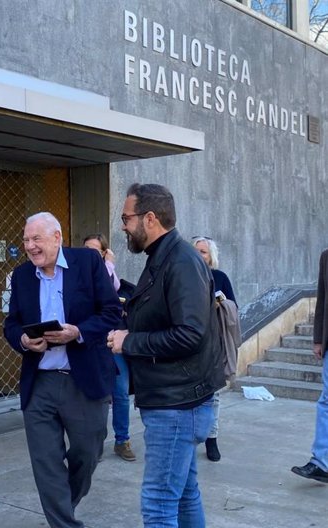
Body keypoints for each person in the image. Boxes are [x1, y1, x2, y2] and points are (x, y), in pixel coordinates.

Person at [108, 183, 225, 528]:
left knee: (159, 503)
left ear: (150, 218)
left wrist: (130, 342)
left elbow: (190, 333)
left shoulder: (181, 261)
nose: (123, 226)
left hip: (177, 404)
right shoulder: (165, 256)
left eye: (126, 218)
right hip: (175, 399)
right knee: (185, 494)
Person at [4, 212, 121, 528]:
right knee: (46, 463)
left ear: (57, 237)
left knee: (87, 453)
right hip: (39, 381)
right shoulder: (22, 276)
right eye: (26, 240)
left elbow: (112, 313)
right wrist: (25, 340)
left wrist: (77, 332)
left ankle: (61, 507)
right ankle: (64, 523)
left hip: (83, 381)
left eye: (36, 238)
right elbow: (11, 324)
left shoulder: (87, 262)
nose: (29, 246)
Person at [84, 233, 136, 462]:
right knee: (94, 396)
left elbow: (108, 286)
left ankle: (122, 440)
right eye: (86, 250)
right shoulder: (78, 275)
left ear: (105, 254)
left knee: (121, 393)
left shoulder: (110, 276)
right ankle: (93, 443)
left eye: (95, 251)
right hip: (92, 343)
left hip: (113, 343)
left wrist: (109, 264)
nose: (90, 256)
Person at [192, 236, 239, 462]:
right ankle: (192, 436)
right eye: (197, 251)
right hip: (189, 344)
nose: (200, 255)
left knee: (214, 395)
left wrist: (221, 304)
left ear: (211, 257)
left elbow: (234, 308)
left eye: (204, 252)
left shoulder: (220, 277)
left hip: (214, 343)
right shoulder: (185, 276)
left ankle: (212, 438)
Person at [291, 248, 328, 484]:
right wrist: (317, 339)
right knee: (326, 402)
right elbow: (322, 297)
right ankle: (321, 463)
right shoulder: (326, 256)